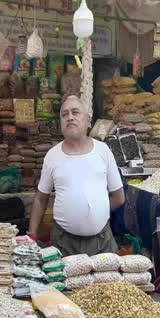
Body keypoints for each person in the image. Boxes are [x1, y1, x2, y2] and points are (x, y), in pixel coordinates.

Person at [28, 95, 125, 256]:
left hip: (102, 241)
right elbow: (40, 199)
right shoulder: (52, 156)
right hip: (63, 243)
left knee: (105, 282)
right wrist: (31, 235)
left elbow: (119, 197)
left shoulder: (103, 151)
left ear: (88, 121)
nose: (70, 117)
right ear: (60, 124)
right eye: (64, 114)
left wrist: (96, 211)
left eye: (75, 112)